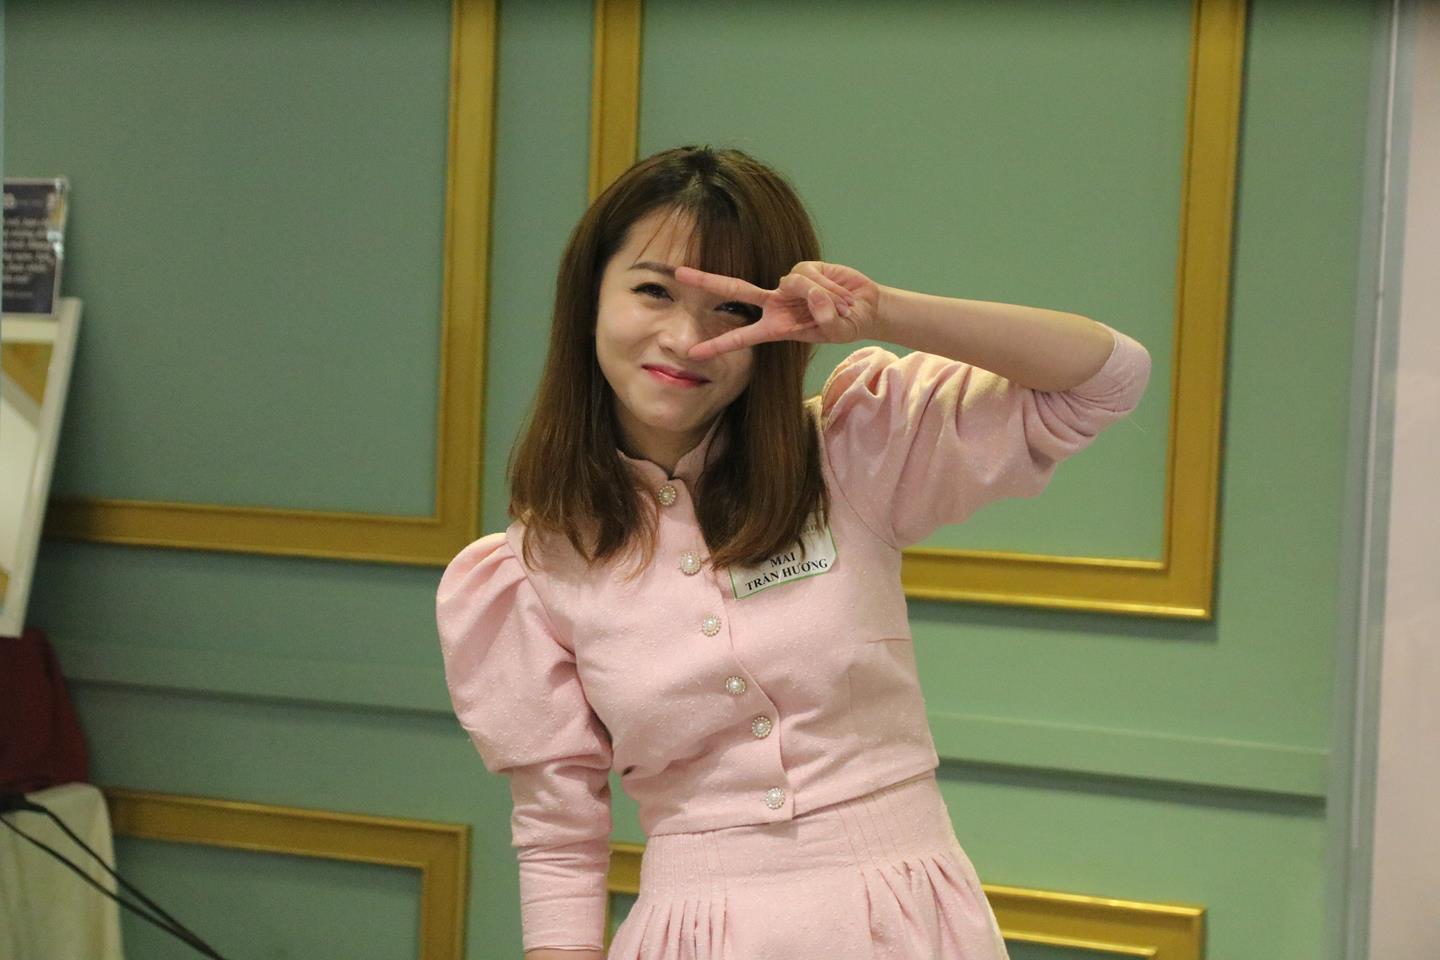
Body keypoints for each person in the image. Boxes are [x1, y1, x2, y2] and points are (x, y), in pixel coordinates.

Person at [436, 145, 1151, 959]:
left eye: (730, 308)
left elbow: (1108, 378)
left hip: (904, 919)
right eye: (653, 291)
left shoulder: (853, 451)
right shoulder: (532, 566)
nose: (686, 338)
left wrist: (881, 312)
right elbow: (559, 836)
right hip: (693, 935)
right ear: (589, 297)